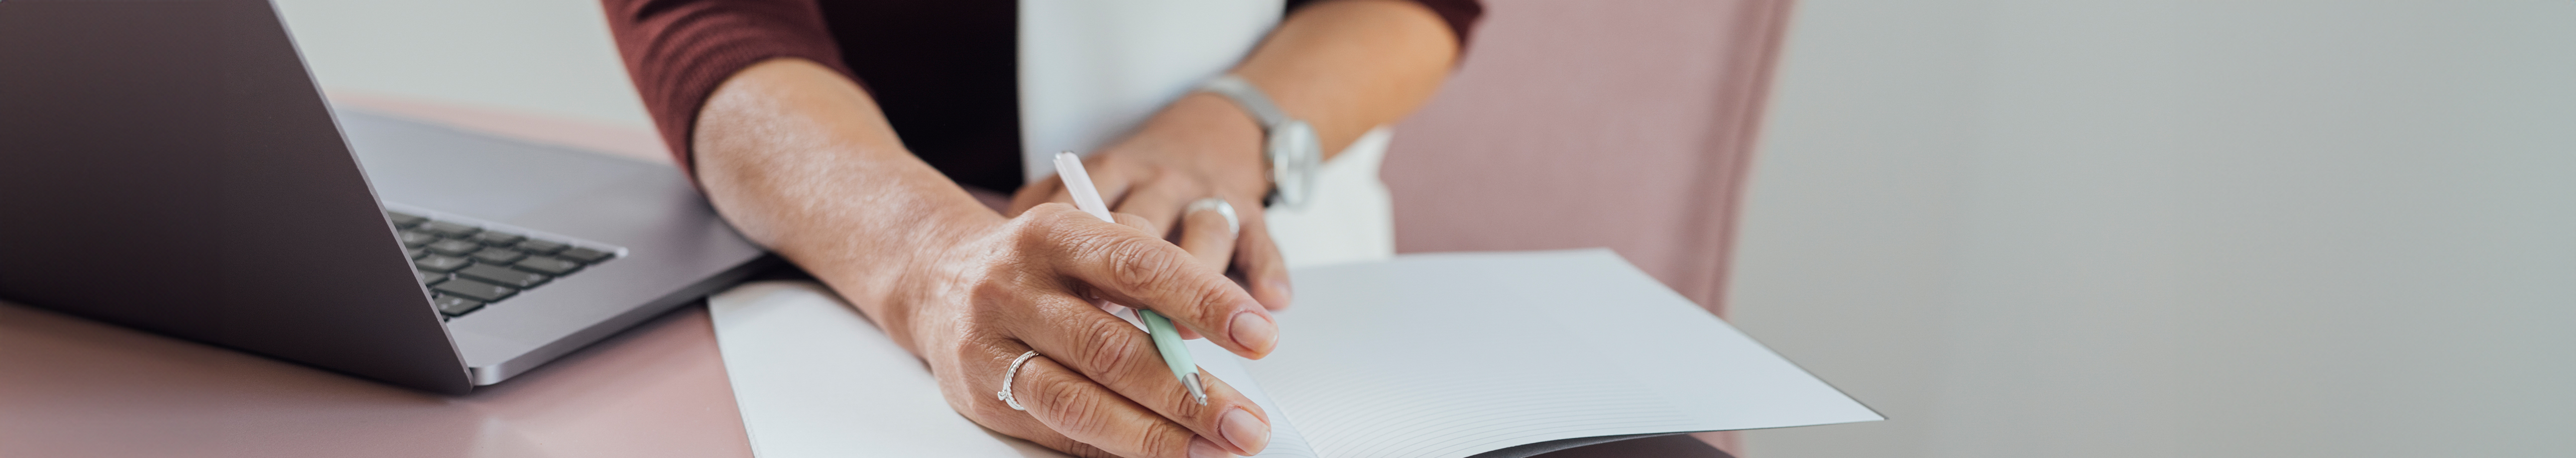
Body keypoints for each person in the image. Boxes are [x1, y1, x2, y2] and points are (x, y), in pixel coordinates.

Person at [602, 1, 1479, 457]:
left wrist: (1224, 130)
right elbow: (703, 16)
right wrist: (927, 258)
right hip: (842, 257)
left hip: (1280, 270)